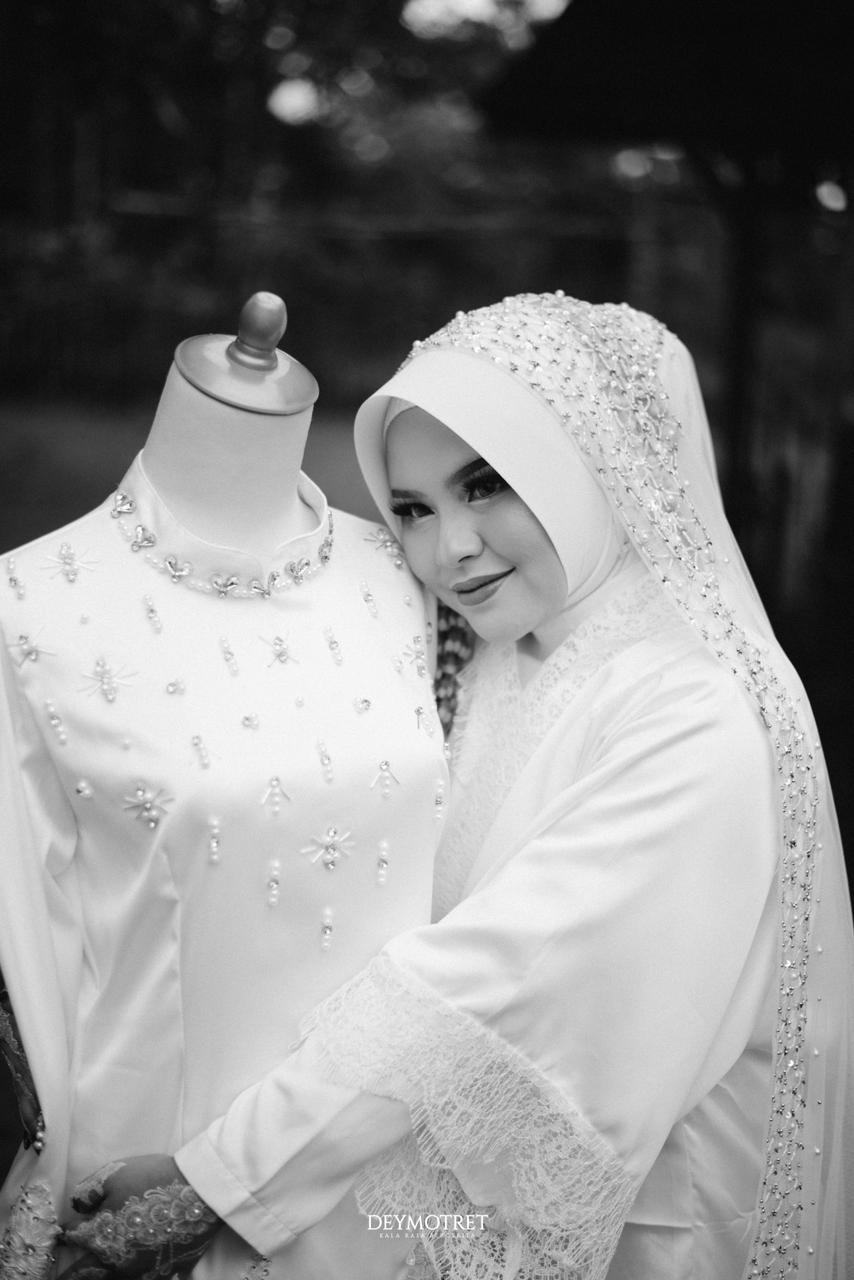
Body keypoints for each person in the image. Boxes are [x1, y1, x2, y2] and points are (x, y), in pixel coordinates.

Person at [54, 293, 854, 1279]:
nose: (451, 549)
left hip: (651, 1226)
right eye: (415, 510)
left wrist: (216, 1180)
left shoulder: (696, 708)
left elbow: (497, 979)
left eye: (487, 486)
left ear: (592, 468)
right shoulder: (502, 654)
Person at [0, 294, 447, 1280]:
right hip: (151, 1167)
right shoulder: (27, 605)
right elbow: (33, 943)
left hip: (385, 1176)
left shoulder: (398, 571)